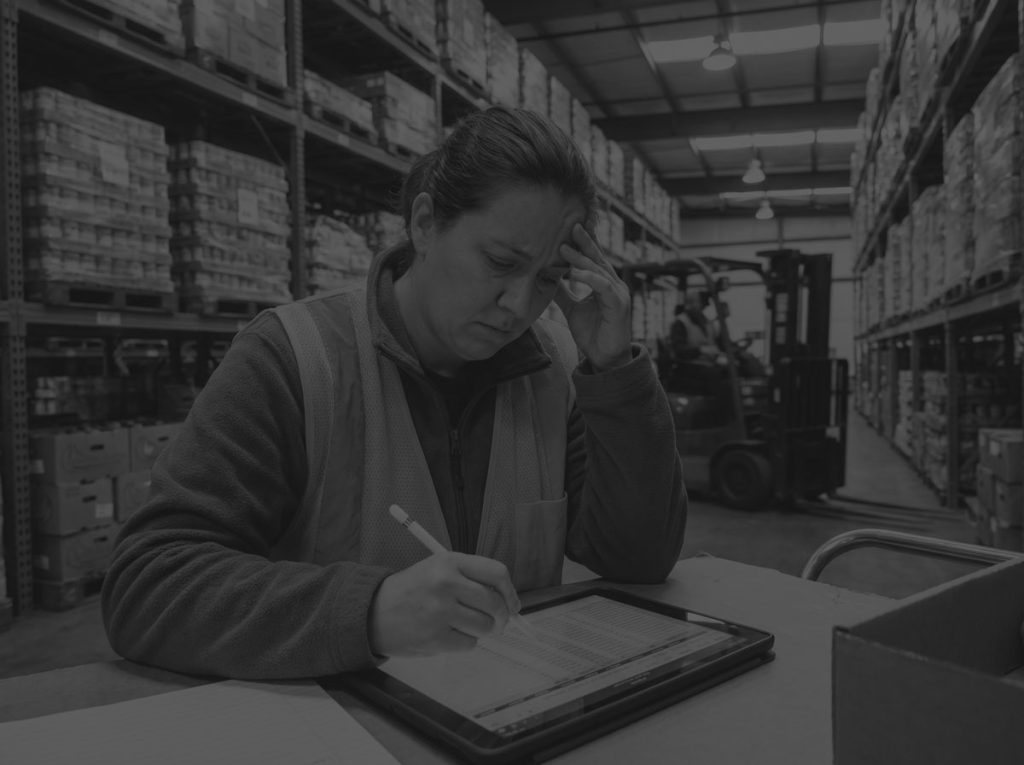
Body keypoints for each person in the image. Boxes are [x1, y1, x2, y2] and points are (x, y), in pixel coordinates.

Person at [102, 106, 687, 680]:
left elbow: (638, 560)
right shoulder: (295, 357)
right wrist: (370, 610)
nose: (519, 306)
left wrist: (614, 370)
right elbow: (148, 585)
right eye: (500, 262)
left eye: (548, 280)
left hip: (508, 721)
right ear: (426, 224)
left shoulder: (556, 369)